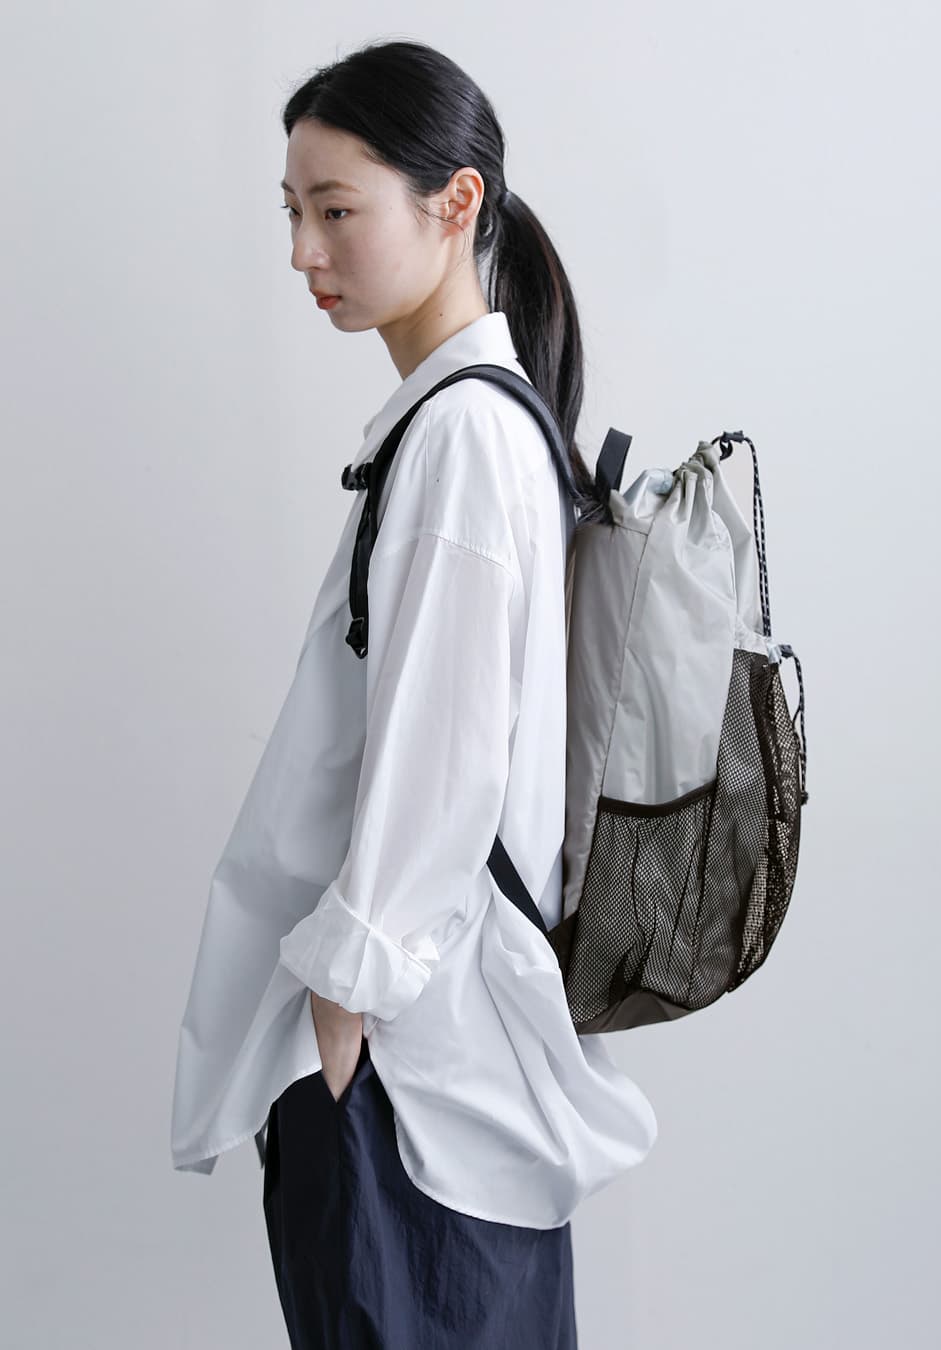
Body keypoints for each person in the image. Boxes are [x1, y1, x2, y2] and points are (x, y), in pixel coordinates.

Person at [170, 37, 658, 1349]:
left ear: (457, 204)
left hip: (405, 1072)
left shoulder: (464, 439)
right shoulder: (476, 425)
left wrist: (343, 1004)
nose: (302, 251)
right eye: (292, 211)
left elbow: (443, 765)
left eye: (336, 210)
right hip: (434, 1062)